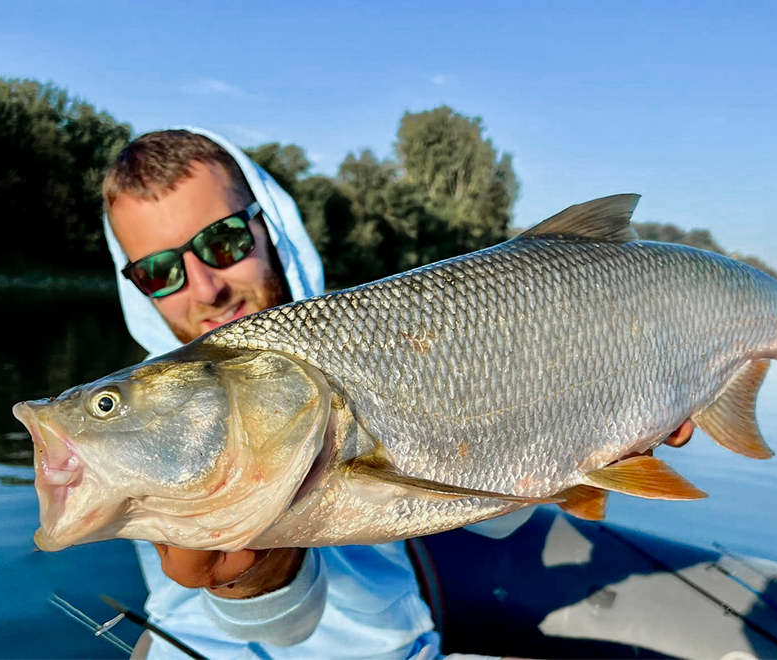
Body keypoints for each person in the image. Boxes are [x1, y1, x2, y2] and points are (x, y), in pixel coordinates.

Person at [97, 128, 691, 660]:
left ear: (268, 226)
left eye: (224, 242)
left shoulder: (386, 333)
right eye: (158, 272)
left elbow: (495, 525)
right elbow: (283, 632)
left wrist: (581, 437)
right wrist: (251, 578)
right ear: (135, 285)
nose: (205, 287)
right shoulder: (157, 413)